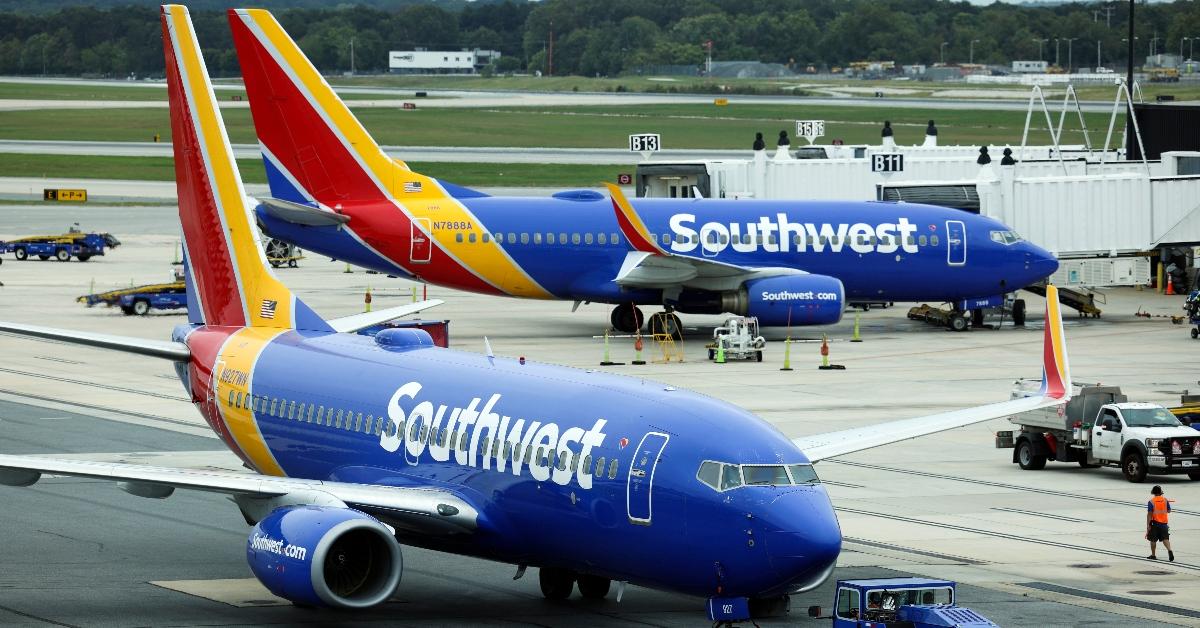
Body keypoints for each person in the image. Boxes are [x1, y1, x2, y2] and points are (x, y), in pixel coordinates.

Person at [1146, 485, 1174, 561]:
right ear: (1161, 492)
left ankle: (1153, 555)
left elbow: (1149, 514)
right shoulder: (1165, 500)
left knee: (1153, 540)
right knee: (1165, 538)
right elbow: (1169, 510)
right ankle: (1169, 550)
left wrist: (1148, 525)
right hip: (1164, 524)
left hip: (1155, 524)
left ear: (1153, 492)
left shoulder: (1151, 501)